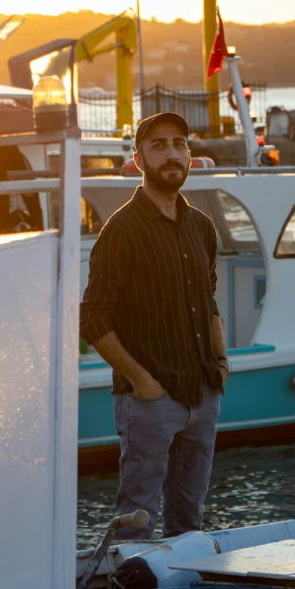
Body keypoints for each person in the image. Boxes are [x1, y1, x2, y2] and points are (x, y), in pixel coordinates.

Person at [80, 112, 229, 539]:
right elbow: (91, 316)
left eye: (180, 144)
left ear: (190, 155)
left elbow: (209, 302)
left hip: (202, 394)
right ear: (139, 159)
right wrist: (141, 382)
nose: (172, 154)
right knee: (137, 523)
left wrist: (221, 363)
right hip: (148, 402)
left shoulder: (201, 227)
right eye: (159, 145)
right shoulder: (121, 231)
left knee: (189, 523)